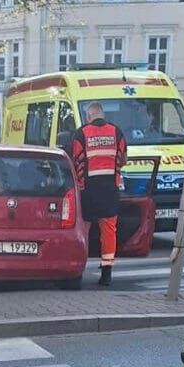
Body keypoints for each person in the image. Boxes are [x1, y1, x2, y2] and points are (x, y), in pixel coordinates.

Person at [72, 101, 128, 286]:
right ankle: (106, 273)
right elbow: (123, 160)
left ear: (89, 116)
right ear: (102, 114)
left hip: (87, 191)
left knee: (83, 231)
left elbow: (75, 160)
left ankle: (78, 271)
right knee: (109, 231)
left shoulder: (81, 133)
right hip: (110, 189)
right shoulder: (117, 132)